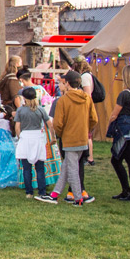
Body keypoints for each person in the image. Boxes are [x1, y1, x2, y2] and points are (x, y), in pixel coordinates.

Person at [49, 70, 98, 205]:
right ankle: (54, 194)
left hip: (69, 138)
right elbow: (94, 119)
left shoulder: (63, 100)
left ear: (68, 83)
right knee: (68, 166)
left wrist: (62, 133)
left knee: (72, 169)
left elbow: (57, 123)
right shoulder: (87, 98)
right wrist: (86, 129)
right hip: (82, 137)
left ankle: (78, 198)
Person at [106, 64, 130, 202]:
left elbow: (115, 113)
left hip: (125, 129)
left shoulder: (124, 94)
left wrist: (109, 124)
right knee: (126, 160)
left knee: (122, 160)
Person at [14, 86, 55, 202]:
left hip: (25, 137)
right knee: (40, 168)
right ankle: (42, 191)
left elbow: (17, 126)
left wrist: (19, 137)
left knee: (27, 168)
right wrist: (53, 137)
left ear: (25, 98)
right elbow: (49, 124)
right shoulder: (41, 109)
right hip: (38, 137)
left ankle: (29, 192)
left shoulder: (20, 110)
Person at [0, 55, 24, 121]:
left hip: (6, 107)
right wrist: (21, 111)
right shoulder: (12, 79)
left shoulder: (6, 77)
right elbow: (16, 97)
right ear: (17, 64)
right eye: (21, 63)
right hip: (12, 109)